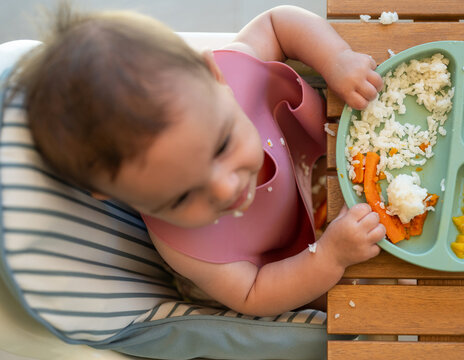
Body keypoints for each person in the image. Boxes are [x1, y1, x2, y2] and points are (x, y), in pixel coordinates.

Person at [11, 4, 385, 316]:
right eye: (180, 197)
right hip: (300, 251)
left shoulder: (237, 71)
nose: (226, 188)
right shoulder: (185, 247)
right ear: (114, 194)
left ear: (213, 75)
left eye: (221, 145)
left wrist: (336, 59)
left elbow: (278, 23)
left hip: (327, 146)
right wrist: (329, 259)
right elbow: (253, 294)